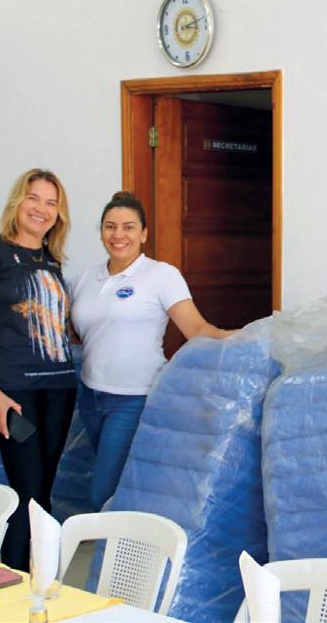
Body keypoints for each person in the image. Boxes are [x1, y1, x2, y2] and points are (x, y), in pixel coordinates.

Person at [70, 191, 233, 511]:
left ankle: (114, 544)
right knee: (117, 487)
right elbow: (80, 335)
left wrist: (244, 336)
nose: (118, 235)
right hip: (90, 397)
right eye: (110, 226)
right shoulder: (86, 278)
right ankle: (122, 540)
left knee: (103, 492)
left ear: (144, 234)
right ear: (101, 232)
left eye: (128, 227)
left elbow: (197, 329)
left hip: (133, 398)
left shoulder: (161, 275)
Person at [0, 169, 77, 570]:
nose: (41, 209)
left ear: (59, 214)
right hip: (13, 393)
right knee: (28, 492)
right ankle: (18, 582)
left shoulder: (52, 261)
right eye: (33, 198)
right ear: (17, 202)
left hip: (58, 392)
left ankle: (37, 580)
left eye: (51, 202)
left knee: (42, 493)